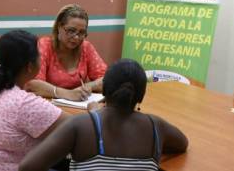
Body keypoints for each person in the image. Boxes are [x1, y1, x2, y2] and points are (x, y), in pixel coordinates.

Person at [19, 59, 188, 171]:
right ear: (141, 96)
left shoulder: (81, 125)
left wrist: (94, 114)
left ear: (104, 90)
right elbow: (182, 144)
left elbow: (27, 168)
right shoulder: (155, 126)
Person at [0, 30, 69, 171]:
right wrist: (92, 109)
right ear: (29, 66)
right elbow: (75, 126)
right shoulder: (23, 104)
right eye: (39, 54)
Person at [25, 4, 107, 101]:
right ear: (59, 27)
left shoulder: (86, 47)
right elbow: (32, 84)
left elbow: (107, 79)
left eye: (81, 33)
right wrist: (68, 94)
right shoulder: (44, 46)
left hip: (78, 106)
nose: (76, 37)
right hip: (49, 106)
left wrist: (89, 86)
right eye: (71, 31)